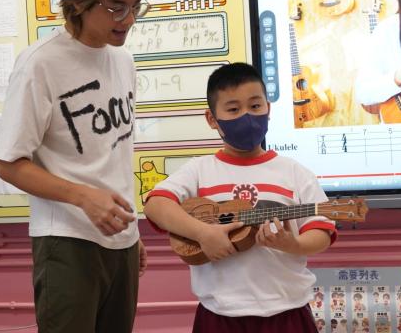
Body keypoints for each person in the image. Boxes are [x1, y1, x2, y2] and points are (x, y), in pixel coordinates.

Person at [0, 0, 157, 332]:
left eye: (136, 5)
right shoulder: (40, 64)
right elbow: (8, 164)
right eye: (116, 6)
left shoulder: (123, 60)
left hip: (120, 239)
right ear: (80, 3)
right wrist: (84, 197)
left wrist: (132, 232)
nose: (128, 19)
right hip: (66, 240)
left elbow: (112, 155)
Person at [143, 63, 337, 332]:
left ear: (269, 108)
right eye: (233, 109)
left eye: (255, 106)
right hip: (219, 315)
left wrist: (292, 244)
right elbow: (155, 204)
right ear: (212, 119)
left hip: (287, 312)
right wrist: (203, 233)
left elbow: (321, 231)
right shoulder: (199, 170)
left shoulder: (295, 172)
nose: (247, 116)